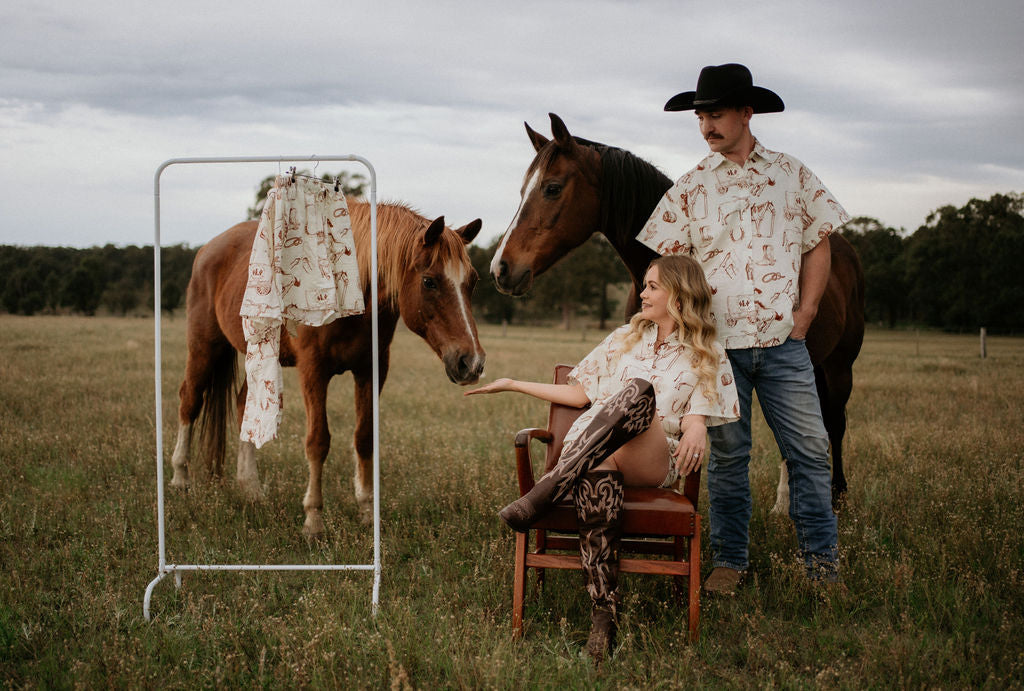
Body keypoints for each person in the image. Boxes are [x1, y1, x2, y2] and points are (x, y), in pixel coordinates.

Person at [636, 63, 850, 594]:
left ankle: (822, 568)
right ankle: (731, 562)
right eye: (700, 115)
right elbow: (669, 267)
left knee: (809, 449)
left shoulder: (792, 175)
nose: (706, 124)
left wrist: (806, 313)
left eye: (716, 113)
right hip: (717, 353)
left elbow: (818, 242)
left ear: (746, 113)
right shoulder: (689, 188)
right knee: (729, 458)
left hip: (783, 345)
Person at [466, 254, 738, 662]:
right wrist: (513, 384)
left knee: (639, 389)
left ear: (679, 295)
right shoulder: (624, 338)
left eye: (651, 286)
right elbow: (580, 395)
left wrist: (696, 424)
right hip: (594, 451)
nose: (642, 293)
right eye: (644, 285)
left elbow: (699, 413)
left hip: (651, 456)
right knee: (596, 469)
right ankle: (603, 615)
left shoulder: (706, 352)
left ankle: (548, 490)